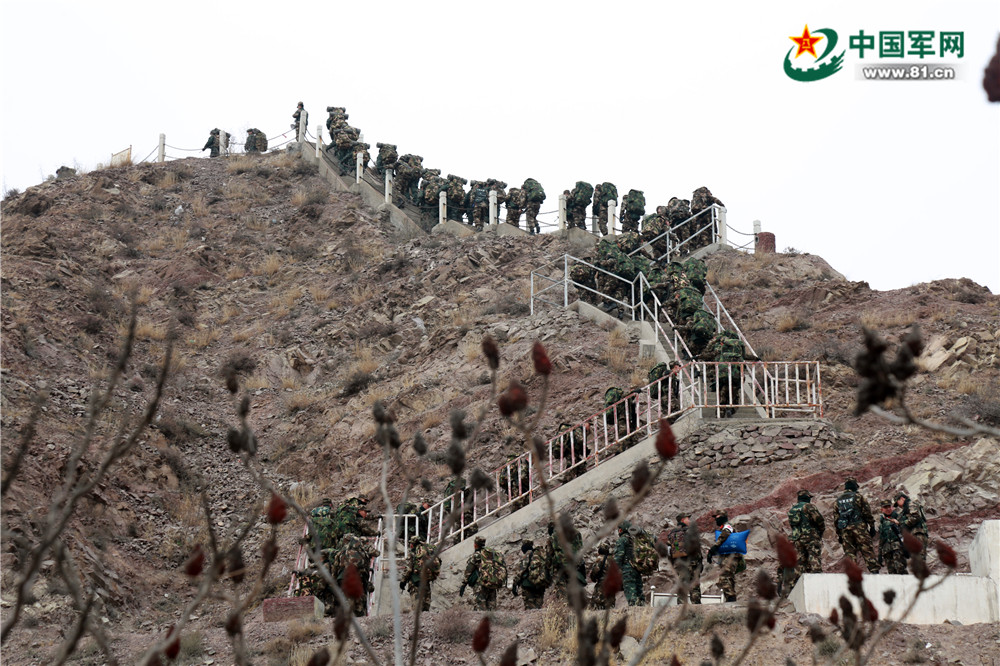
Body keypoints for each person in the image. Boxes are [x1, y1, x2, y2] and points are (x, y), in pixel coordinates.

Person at [833, 477, 879, 573]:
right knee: (867, 550)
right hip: (859, 528)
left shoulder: (838, 501)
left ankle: (853, 574)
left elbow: (836, 520)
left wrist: (839, 534)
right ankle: (874, 572)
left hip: (845, 530)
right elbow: (867, 513)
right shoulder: (858, 497)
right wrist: (872, 526)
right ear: (854, 486)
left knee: (850, 553)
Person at [786, 489, 826, 592]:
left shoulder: (792, 509)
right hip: (810, 537)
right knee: (814, 557)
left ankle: (793, 587)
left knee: (800, 562)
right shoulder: (809, 506)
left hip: (797, 538)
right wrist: (819, 533)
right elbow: (819, 520)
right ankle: (818, 583)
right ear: (807, 497)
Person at [660, 513, 702, 604]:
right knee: (694, 586)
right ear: (683, 520)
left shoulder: (672, 533)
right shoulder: (689, 531)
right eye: (688, 518)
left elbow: (669, 551)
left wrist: (674, 563)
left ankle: (680, 606)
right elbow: (697, 548)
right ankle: (696, 605)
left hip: (679, 564)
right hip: (692, 563)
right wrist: (700, 563)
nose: (689, 520)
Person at [331, 532, 375, 616]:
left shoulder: (342, 552)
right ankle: (360, 619)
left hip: (344, 580)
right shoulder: (363, 553)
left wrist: (334, 579)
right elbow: (366, 568)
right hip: (359, 581)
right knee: (359, 604)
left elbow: (335, 567)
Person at [460, 536, 507, 611]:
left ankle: (483, 618)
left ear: (475, 544)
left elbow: (468, 571)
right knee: (492, 606)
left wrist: (463, 585)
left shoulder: (477, 555)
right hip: (492, 582)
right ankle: (492, 618)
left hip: (481, 584)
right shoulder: (492, 553)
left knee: (480, 607)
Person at [706, 510, 743, 602]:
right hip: (727, 556)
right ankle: (730, 599)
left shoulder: (727, 527)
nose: (716, 519)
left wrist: (714, 547)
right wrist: (712, 552)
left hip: (731, 557)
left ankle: (731, 598)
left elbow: (724, 535)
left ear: (723, 517)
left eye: (717, 517)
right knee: (728, 577)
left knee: (725, 577)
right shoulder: (723, 528)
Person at [545, 520, 586, 602]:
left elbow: (549, 555)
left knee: (562, 590)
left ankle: (565, 604)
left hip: (561, 567)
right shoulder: (575, 532)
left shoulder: (552, 537)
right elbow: (580, 547)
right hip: (576, 564)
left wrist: (547, 570)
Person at [400, 535, 440, 611]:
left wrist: (403, 581)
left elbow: (409, 569)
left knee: (417, 609)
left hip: (415, 583)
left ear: (413, 544)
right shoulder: (428, 550)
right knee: (425, 609)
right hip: (426, 582)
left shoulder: (413, 552)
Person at [614, 521, 644, 606]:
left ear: (622, 530)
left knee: (631, 593)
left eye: (619, 529)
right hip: (637, 569)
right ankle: (642, 609)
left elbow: (619, 556)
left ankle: (634, 609)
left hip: (627, 570)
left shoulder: (622, 540)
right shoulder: (634, 540)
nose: (618, 531)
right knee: (639, 593)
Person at [512, 540, 548, 609]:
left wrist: (515, 585)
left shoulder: (527, 555)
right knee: (539, 606)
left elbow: (521, 571)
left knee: (530, 608)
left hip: (528, 585)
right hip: (540, 583)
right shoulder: (540, 554)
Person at [878, 500, 908, 574]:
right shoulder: (882, 523)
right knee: (892, 573)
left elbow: (907, 530)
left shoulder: (899, 518)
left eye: (889, 507)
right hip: (887, 551)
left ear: (892, 507)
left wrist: (899, 523)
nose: (888, 509)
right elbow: (881, 538)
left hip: (898, 549)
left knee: (901, 569)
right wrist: (879, 554)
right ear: (882, 509)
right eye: (885, 507)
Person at [588, 542, 616, 609]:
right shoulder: (613, 559)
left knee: (596, 605)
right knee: (610, 605)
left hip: (602, 584)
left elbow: (595, 571)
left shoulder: (600, 558)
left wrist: (593, 578)